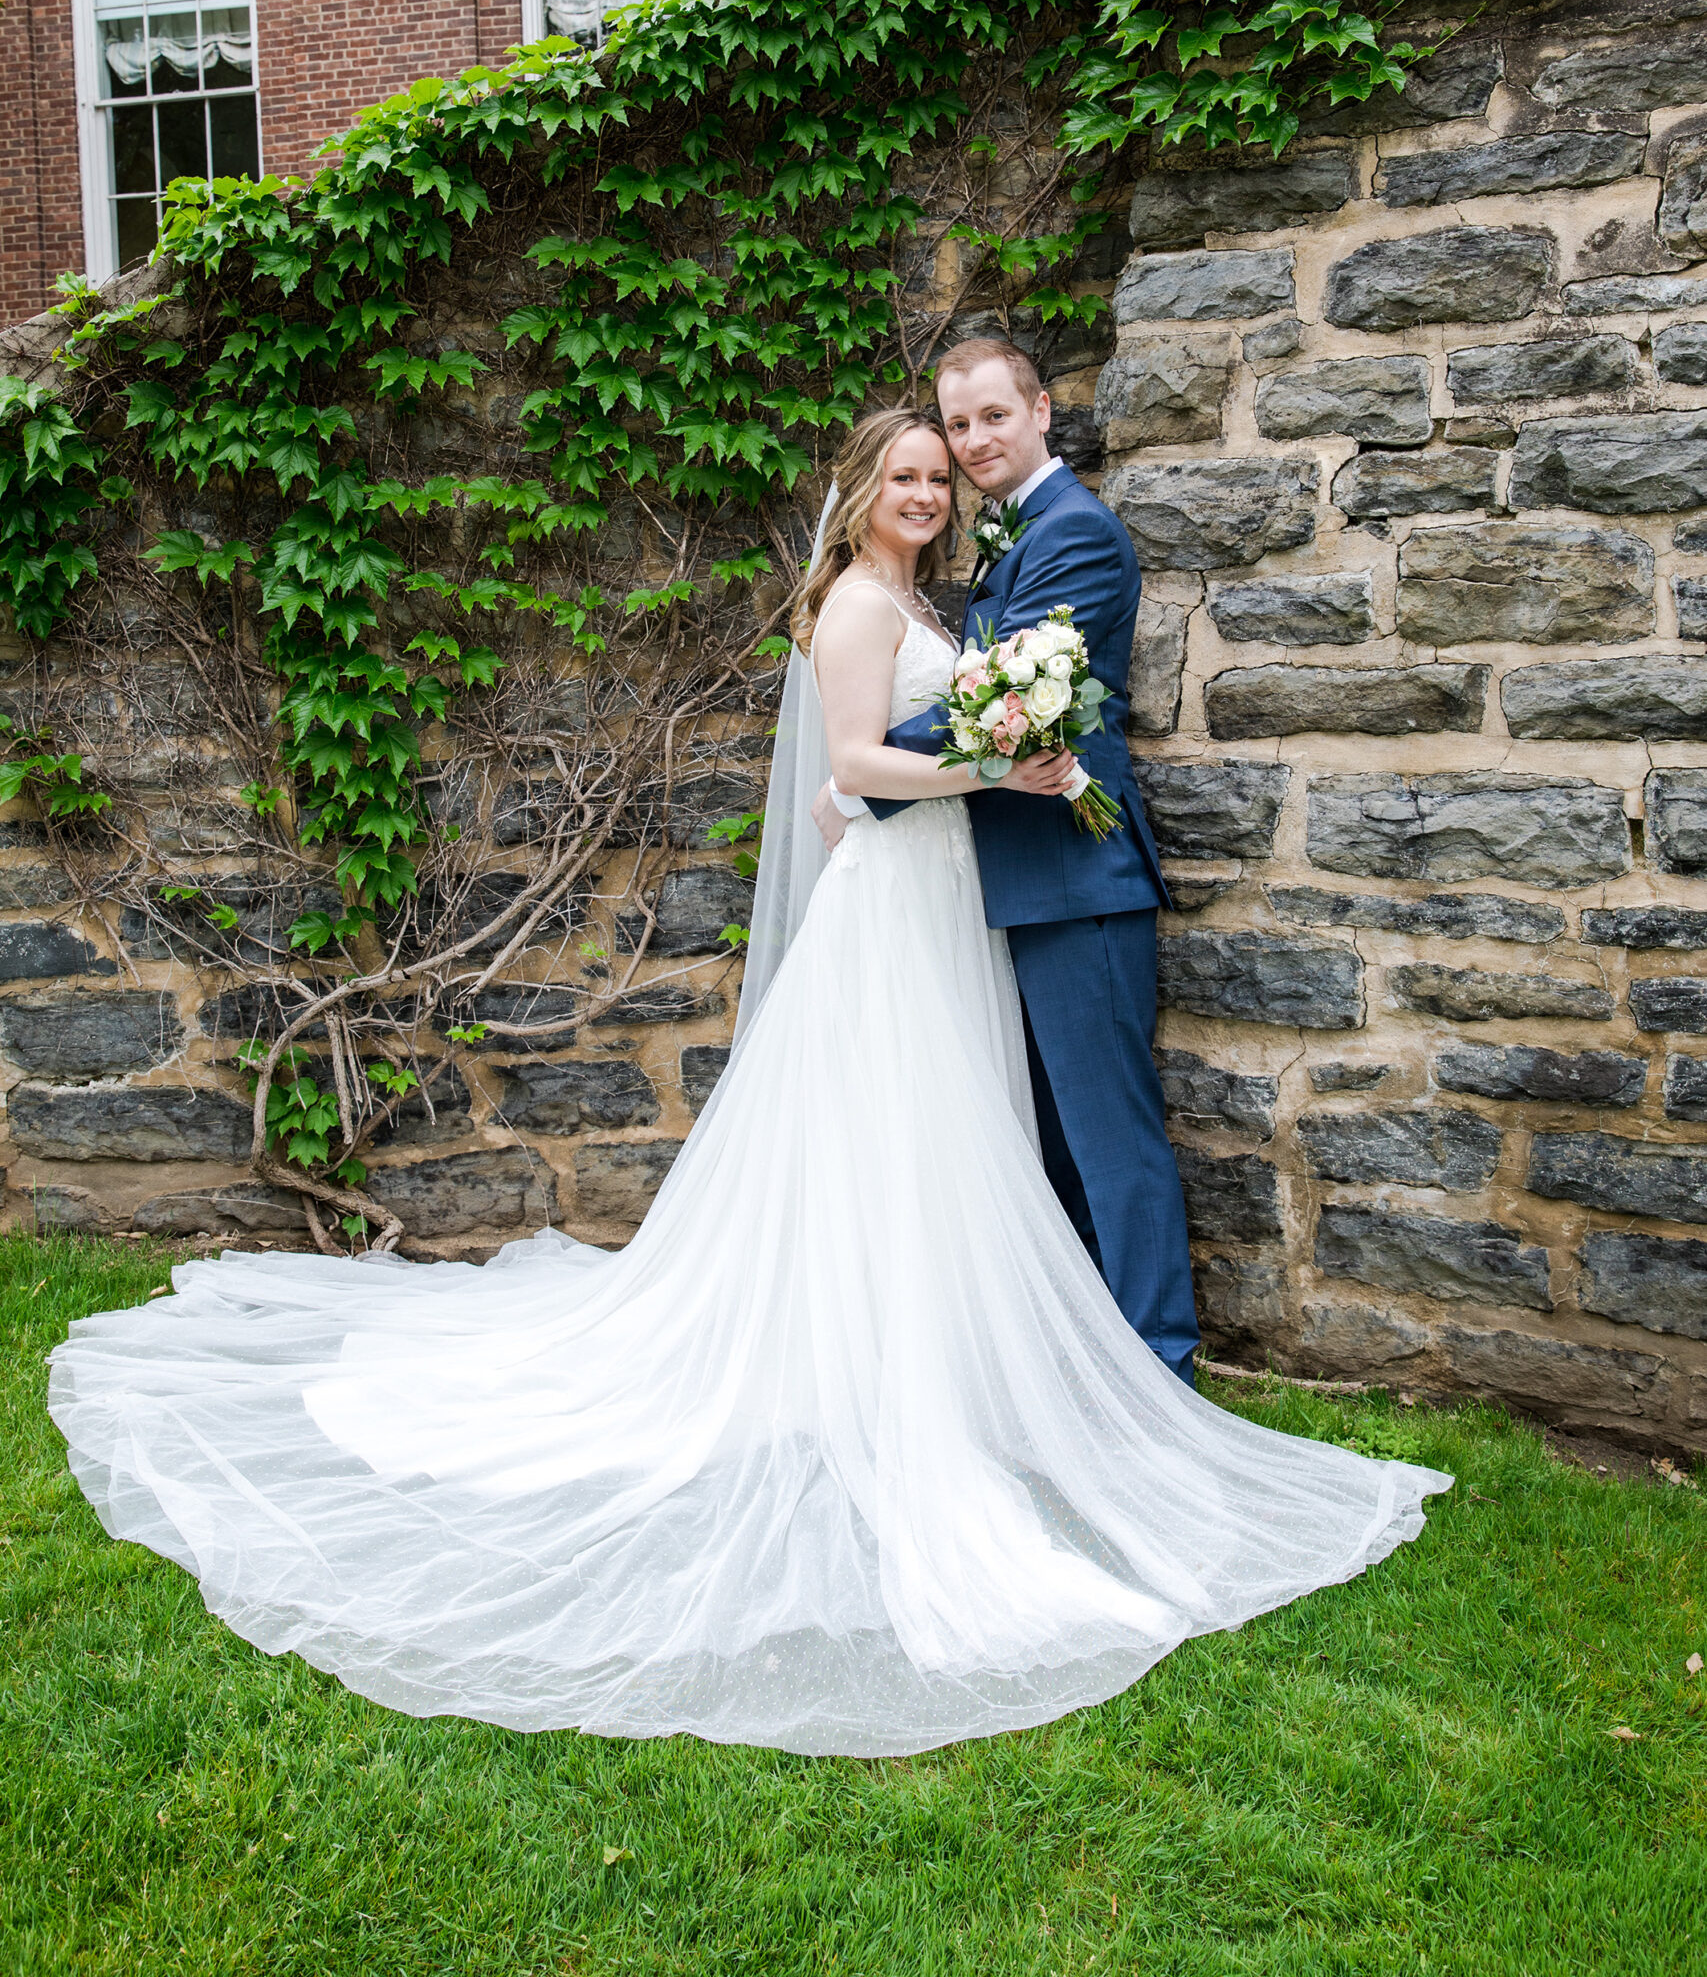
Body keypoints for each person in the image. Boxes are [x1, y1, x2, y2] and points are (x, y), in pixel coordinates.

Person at [49, 406, 1448, 1759]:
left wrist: (978, 761)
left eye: (933, 476)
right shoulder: (851, 604)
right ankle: (883, 1375)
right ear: (856, 491)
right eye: (900, 474)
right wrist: (1000, 771)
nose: (922, 492)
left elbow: (866, 780)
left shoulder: (930, 601)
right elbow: (850, 766)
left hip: (938, 902)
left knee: (941, 1136)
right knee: (892, 1135)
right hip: (898, 911)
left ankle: (949, 1364)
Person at [814, 338, 1198, 1382]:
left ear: (1039, 410)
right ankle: (1087, 1359)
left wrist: (858, 783)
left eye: (993, 417)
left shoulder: (1069, 530)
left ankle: (1161, 1368)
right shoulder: (999, 539)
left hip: (1076, 877)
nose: (975, 442)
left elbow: (1001, 705)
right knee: (1054, 1145)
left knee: (1110, 1142)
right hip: (1007, 883)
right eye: (959, 426)